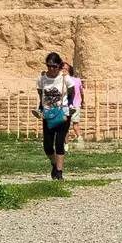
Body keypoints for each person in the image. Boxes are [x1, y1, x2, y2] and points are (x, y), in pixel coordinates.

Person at [34, 51, 80, 179]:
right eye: (49, 65)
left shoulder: (65, 77)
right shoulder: (42, 78)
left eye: (54, 66)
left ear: (59, 65)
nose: (51, 68)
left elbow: (72, 91)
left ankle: (59, 172)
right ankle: (54, 164)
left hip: (63, 114)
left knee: (59, 142)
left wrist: (67, 104)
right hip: (48, 114)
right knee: (47, 146)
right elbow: (40, 93)